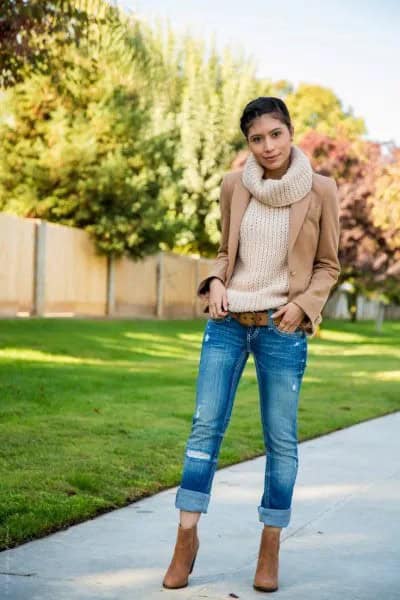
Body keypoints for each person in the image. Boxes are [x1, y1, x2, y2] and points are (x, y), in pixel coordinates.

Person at [162, 96, 341, 592]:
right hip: (226, 321)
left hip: (282, 326)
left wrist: (304, 306)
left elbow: (328, 265)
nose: (267, 146)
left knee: (280, 439)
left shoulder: (322, 190)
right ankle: (185, 539)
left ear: (290, 131)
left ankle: (269, 545)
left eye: (275, 134)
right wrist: (216, 281)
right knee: (204, 429)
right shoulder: (232, 185)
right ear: (248, 143)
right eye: (256, 139)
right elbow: (226, 253)